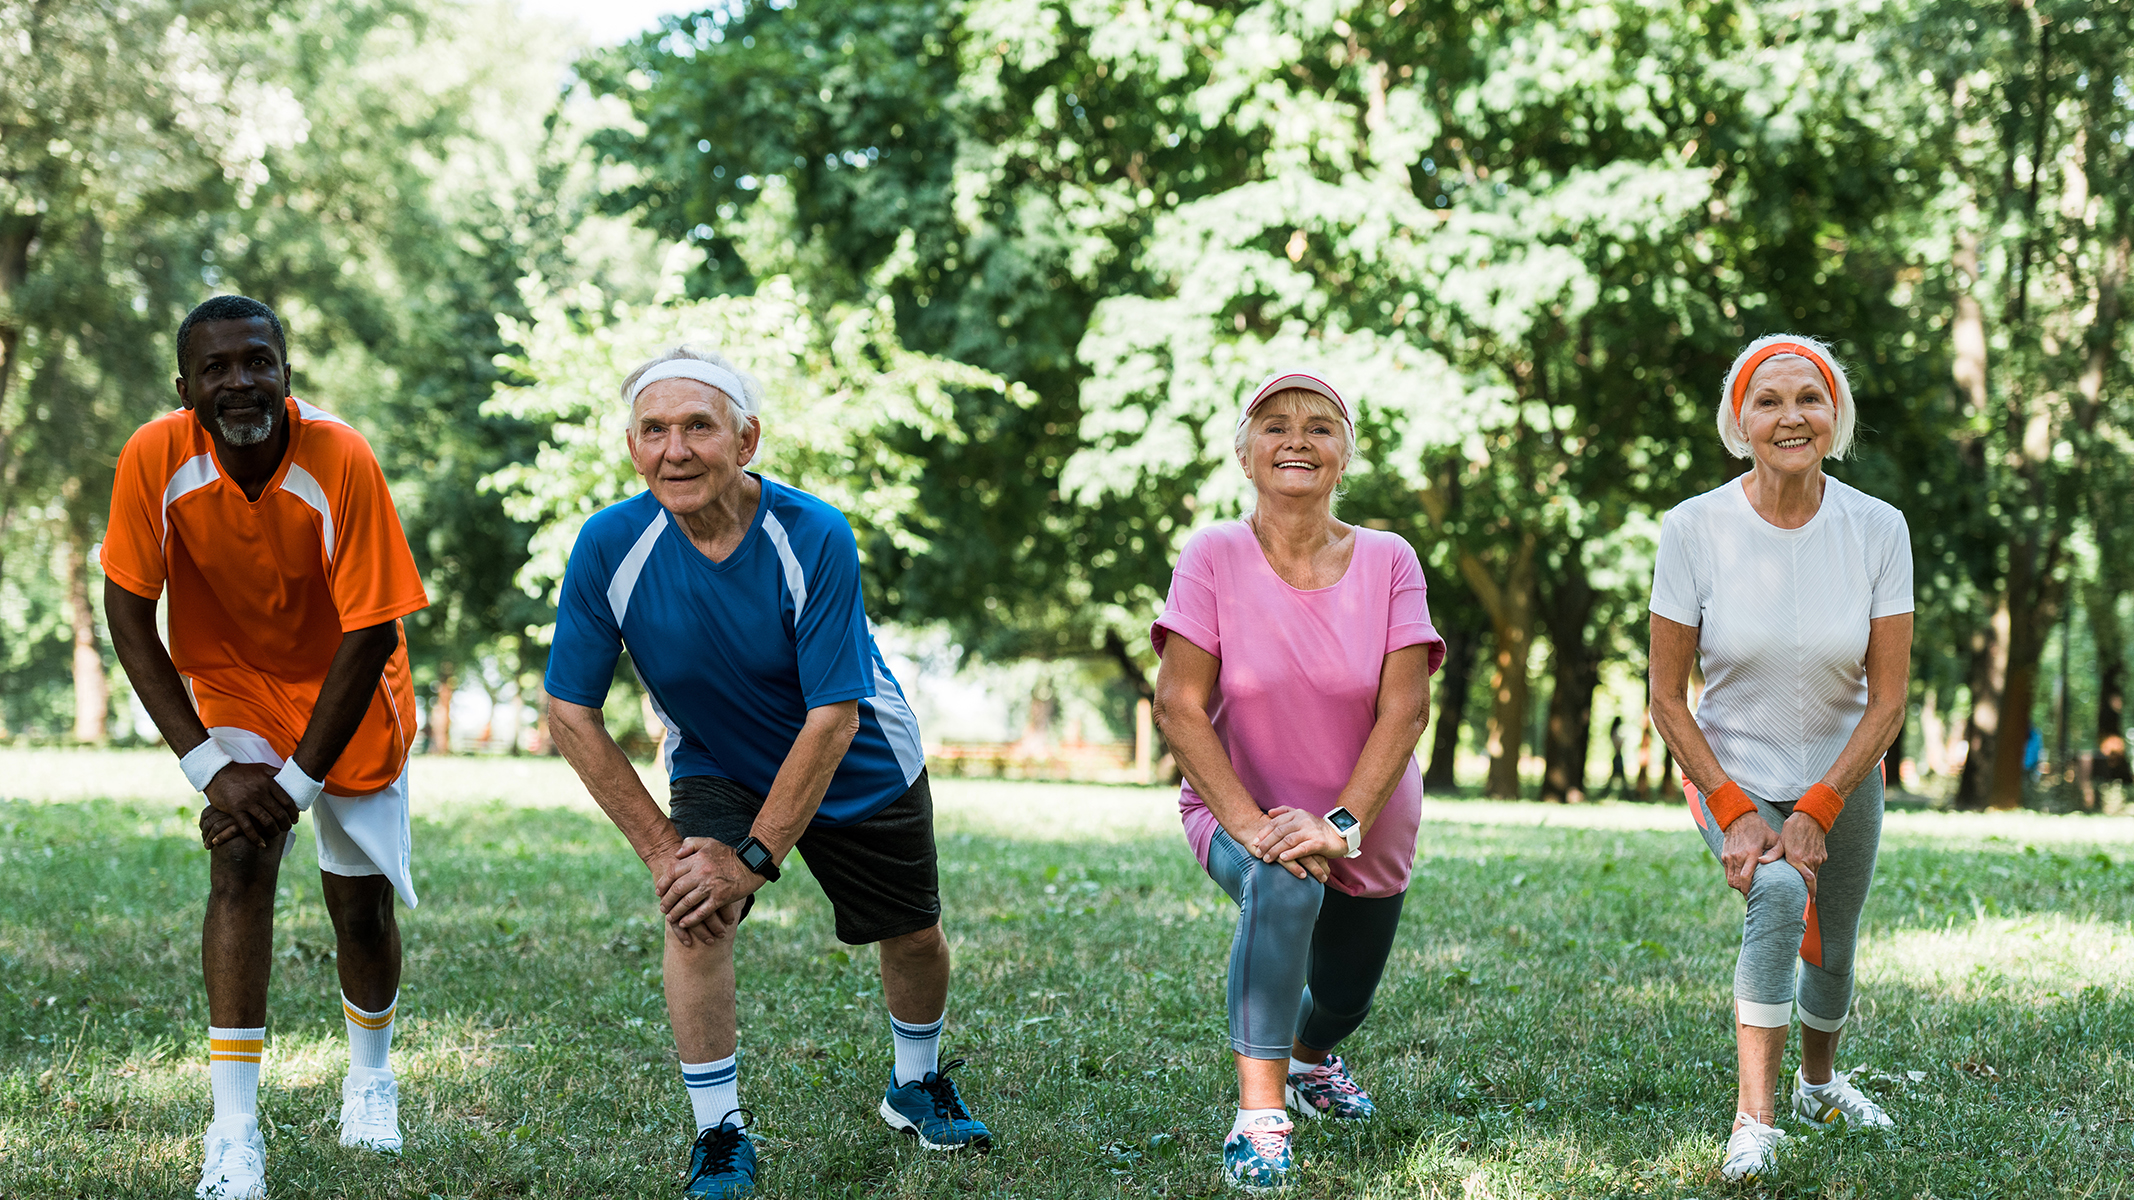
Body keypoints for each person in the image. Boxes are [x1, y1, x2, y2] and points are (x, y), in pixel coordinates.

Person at [543, 346, 991, 1199]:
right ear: (632, 447)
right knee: (693, 914)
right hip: (719, 757)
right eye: (654, 430)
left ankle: (916, 1081)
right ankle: (719, 1134)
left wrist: (752, 860)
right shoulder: (610, 545)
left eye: (699, 427)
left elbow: (834, 716)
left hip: (858, 761)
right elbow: (570, 711)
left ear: (746, 440)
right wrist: (668, 854)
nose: (675, 450)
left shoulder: (813, 532)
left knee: (913, 932)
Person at [102, 295, 430, 1199]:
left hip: (349, 692)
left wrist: (295, 782)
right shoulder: (153, 457)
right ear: (185, 389)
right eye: (216, 368)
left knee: (356, 906)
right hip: (237, 683)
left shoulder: (342, 456)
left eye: (258, 362)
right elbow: (128, 612)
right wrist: (210, 768)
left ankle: (370, 1078)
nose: (239, 381)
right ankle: (233, 1130)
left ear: (288, 375)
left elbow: (371, 633)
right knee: (240, 862)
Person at [1150, 371, 1442, 1191]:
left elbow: (1406, 710)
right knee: (1283, 886)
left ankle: (1313, 1060)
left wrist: (1341, 822)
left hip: (1368, 818)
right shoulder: (1212, 554)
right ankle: (1260, 1116)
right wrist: (1253, 828)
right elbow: (1178, 705)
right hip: (1241, 808)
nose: (1297, 440)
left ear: (1345, 454)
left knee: (1346, 997)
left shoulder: (1389, 559)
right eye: (1275, 426)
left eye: (1320, 426)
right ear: (1245, 456)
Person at [1647, 334, 1913, 1182]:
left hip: (1844, 772)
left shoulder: (1878, 528)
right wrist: (1732, 809)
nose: (1791, 415)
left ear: (1834, 418)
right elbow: (1664, 698)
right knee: (1773, 895)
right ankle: (1753, 1121)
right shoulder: (1693, 528)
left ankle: (1818, 1084)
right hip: (1732, 769)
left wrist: (1821, 807)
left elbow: (1890, 700)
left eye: (1811, 397)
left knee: (1832, 947)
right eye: (1769, 400)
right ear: (1740, 421)